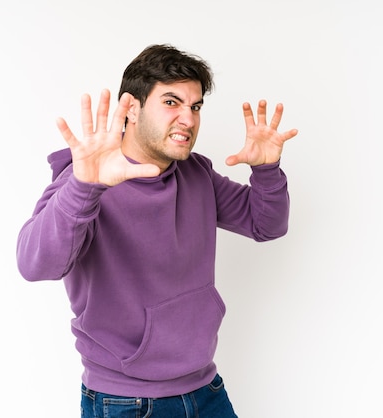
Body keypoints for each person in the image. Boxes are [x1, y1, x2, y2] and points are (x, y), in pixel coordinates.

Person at [16, 43, 298, 418]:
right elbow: (34, 264)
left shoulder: (195, 174)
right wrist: (85, 187)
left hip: (205, 388)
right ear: (131, 108)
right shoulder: (86, 179)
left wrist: (266, 171)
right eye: (171, 102)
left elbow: (267, 225)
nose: (188, 119)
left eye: (195, 107)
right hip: (126, 401)